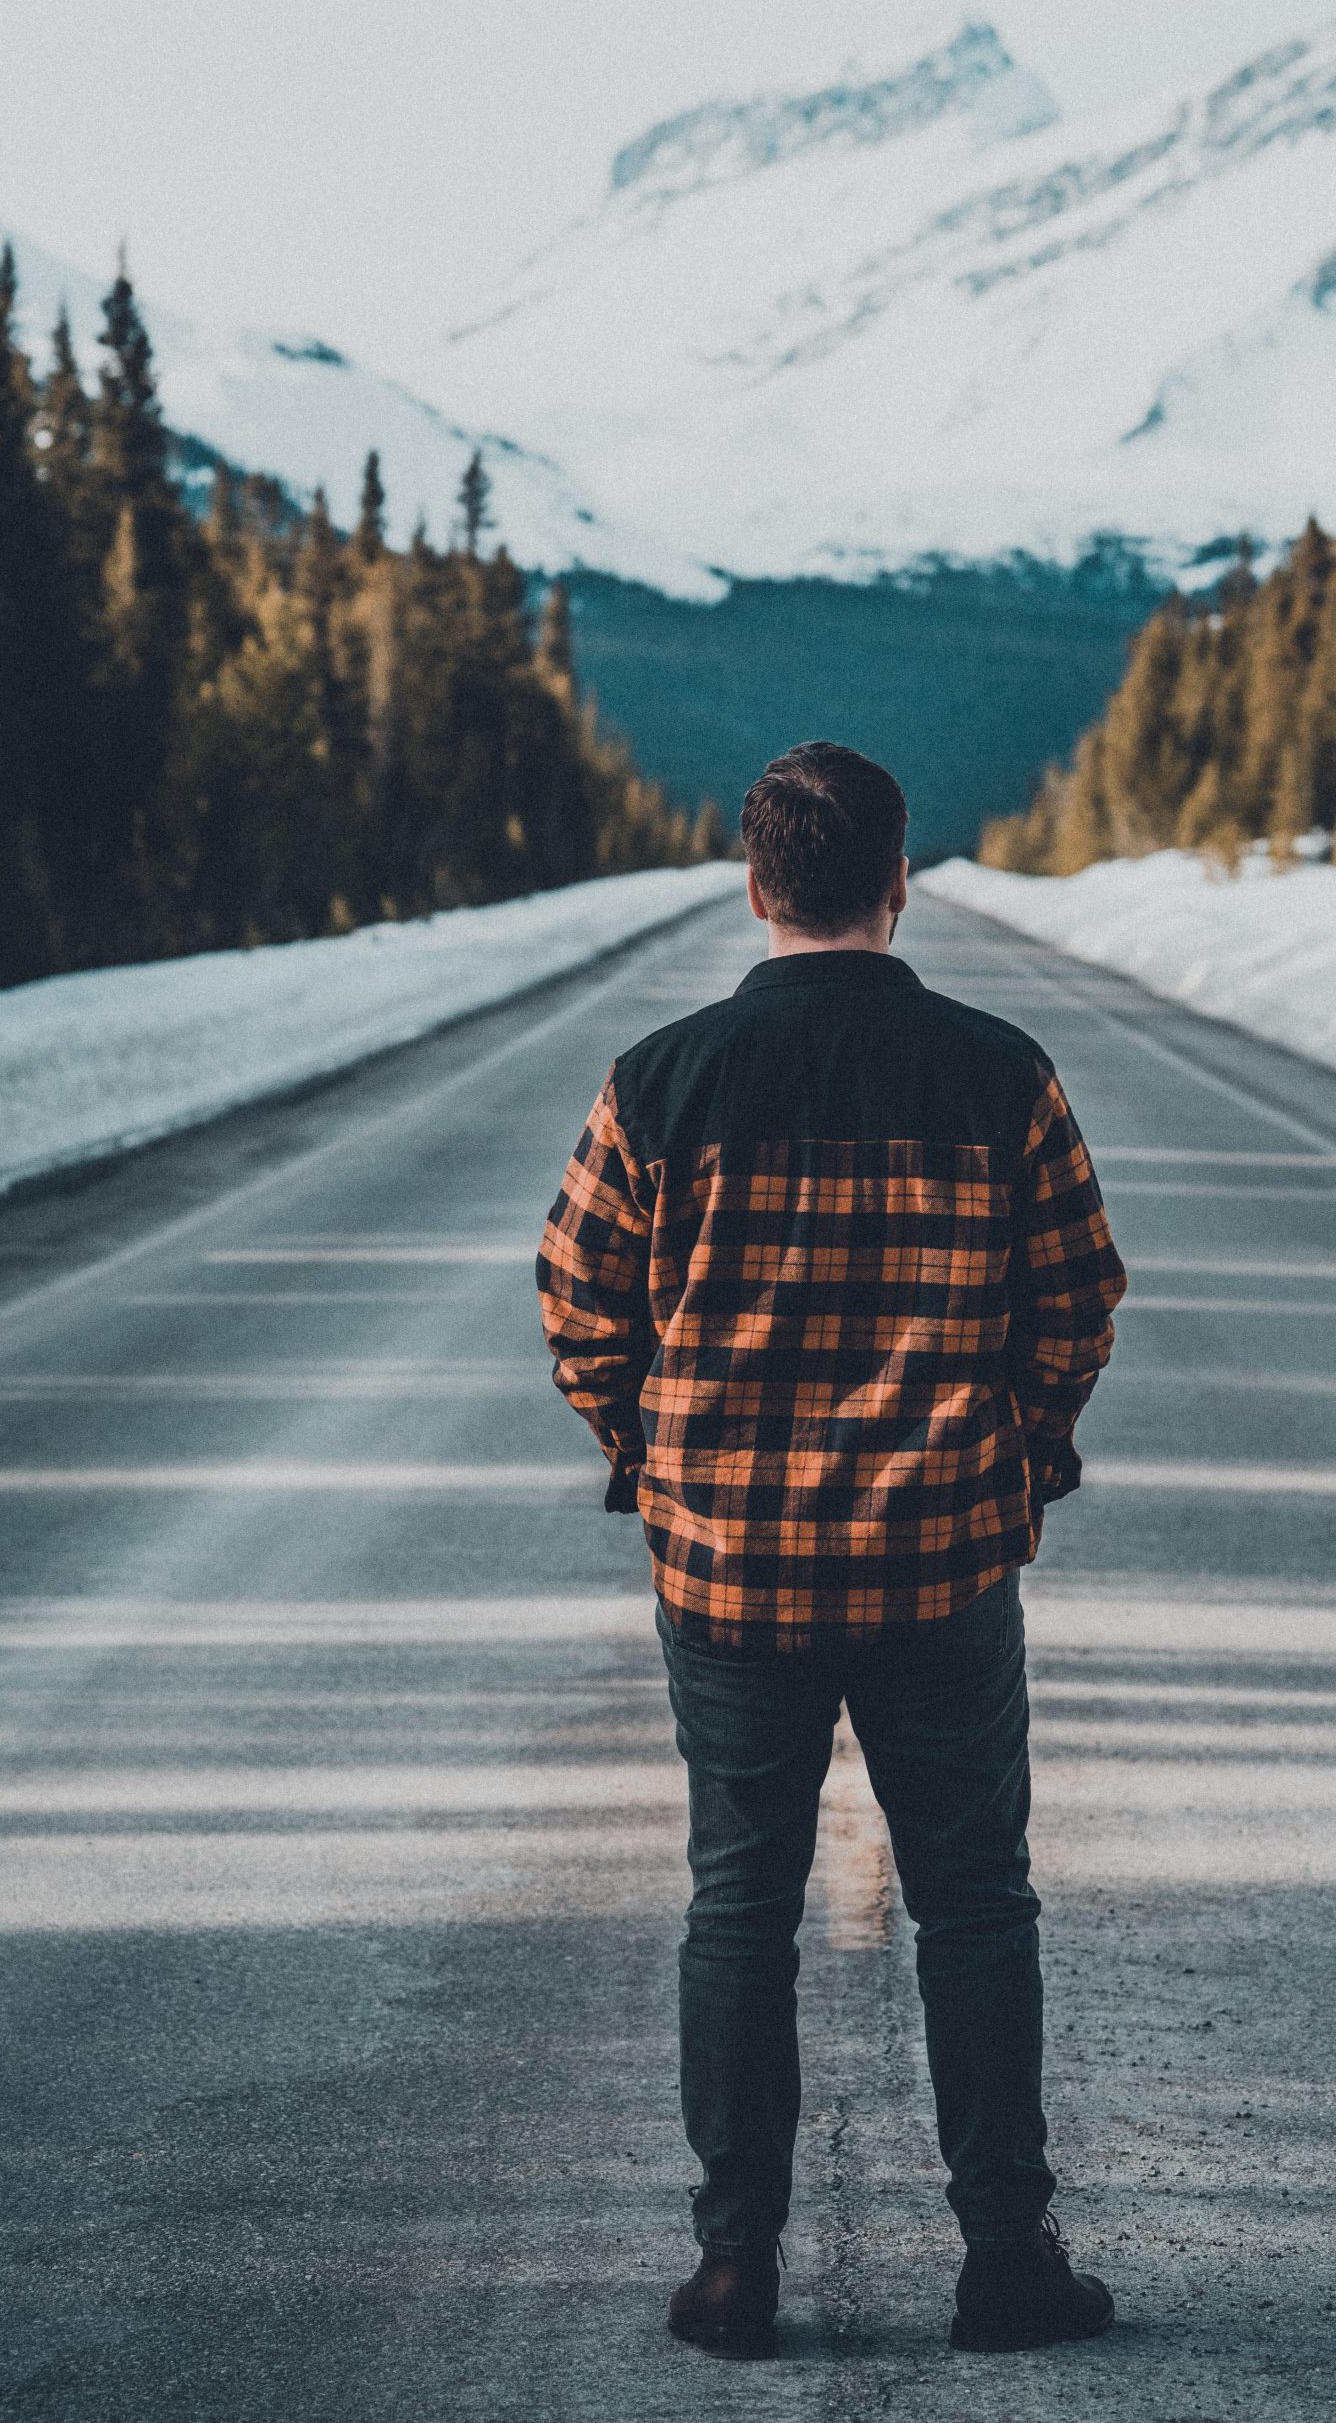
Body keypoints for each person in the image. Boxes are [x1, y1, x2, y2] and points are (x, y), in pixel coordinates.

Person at [536, 741, 1125, 2358]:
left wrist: (656, 1461)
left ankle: (737, 2269)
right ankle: (1006, 2258)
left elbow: (578, 1300)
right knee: (976, 1906)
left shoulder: (660, 1078)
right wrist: (1024, 1449)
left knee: (738, 1911)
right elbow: (1079, 1289)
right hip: (943, 1567)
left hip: (729, 1579)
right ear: (896, 882)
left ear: (754, 884)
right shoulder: (997, 1070)